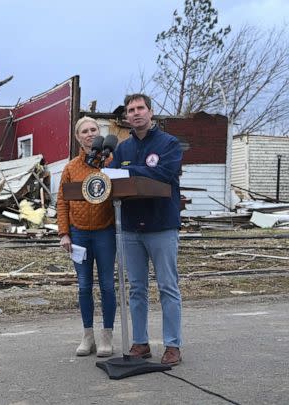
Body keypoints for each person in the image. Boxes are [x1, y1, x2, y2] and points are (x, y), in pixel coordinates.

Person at [109, 93, 183, 366]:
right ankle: (140, 342)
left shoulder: (169, 144)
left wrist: (131, 173)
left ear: (151, 113)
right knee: (136, 288)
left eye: (141, 108)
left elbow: (165, 174)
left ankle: (173, 345)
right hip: (130, 228)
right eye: (131, 110)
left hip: (161, 226)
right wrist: (129, 174)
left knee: (167, 287)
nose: (136, 113)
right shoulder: (122, 149)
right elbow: (112, 178)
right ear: (127, 117)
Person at [57, 116, 116, 357]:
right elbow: (62, 201)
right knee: (83, 286)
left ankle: (106, 335)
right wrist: (64, 233)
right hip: (79, 233)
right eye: (84, 131)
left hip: (105, 231)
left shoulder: (111, 162)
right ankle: (87, 335)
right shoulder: (71, 168)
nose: (90, 134)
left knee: (107, 285)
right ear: (78, 137)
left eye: (94, 130)